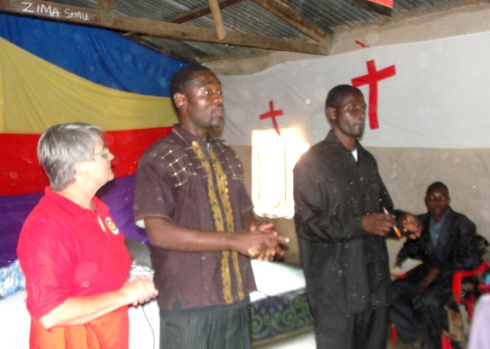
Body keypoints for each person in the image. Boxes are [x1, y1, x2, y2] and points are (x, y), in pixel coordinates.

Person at [133, 65, 288, 349]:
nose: (218, 99)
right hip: (190, 299)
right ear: (182, 100)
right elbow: (159, 232)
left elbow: (243, 212)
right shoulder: (159, 158)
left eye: (219, 92)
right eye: (207, 91)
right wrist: (234, 240)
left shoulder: (227, 155)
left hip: (235, 293)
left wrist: (257, 232)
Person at [293, 84, 421, 349]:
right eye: (352, 108)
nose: (360, 114)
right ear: (332, 113)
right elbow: (308, 224)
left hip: (373, 285)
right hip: (335, 289)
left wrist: (402, 221)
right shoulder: (312, 162)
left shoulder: (367, 161)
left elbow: (383, 211)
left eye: (362, 108)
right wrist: (361, 224)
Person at [17, 123, 158, 349]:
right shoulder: (48, 227)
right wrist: (123, 296)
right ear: (80, 167)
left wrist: (128, 290)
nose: (111, 155)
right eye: (103, 152)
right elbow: (51, 313)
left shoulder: (97, 210)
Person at [390, 182, 481, 348]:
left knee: (428, 301)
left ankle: (434, 344)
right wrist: (402, 259)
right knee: (390, 293)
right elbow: (411, 247)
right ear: (425, 201)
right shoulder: (421, 222)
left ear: (448, 200)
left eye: (441, 198)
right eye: (432, 198)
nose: (436, 202)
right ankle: (416, 336)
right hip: (422, 276)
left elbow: (472, 259)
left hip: (447, 278)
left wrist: (440, 270)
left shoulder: (461, 224)